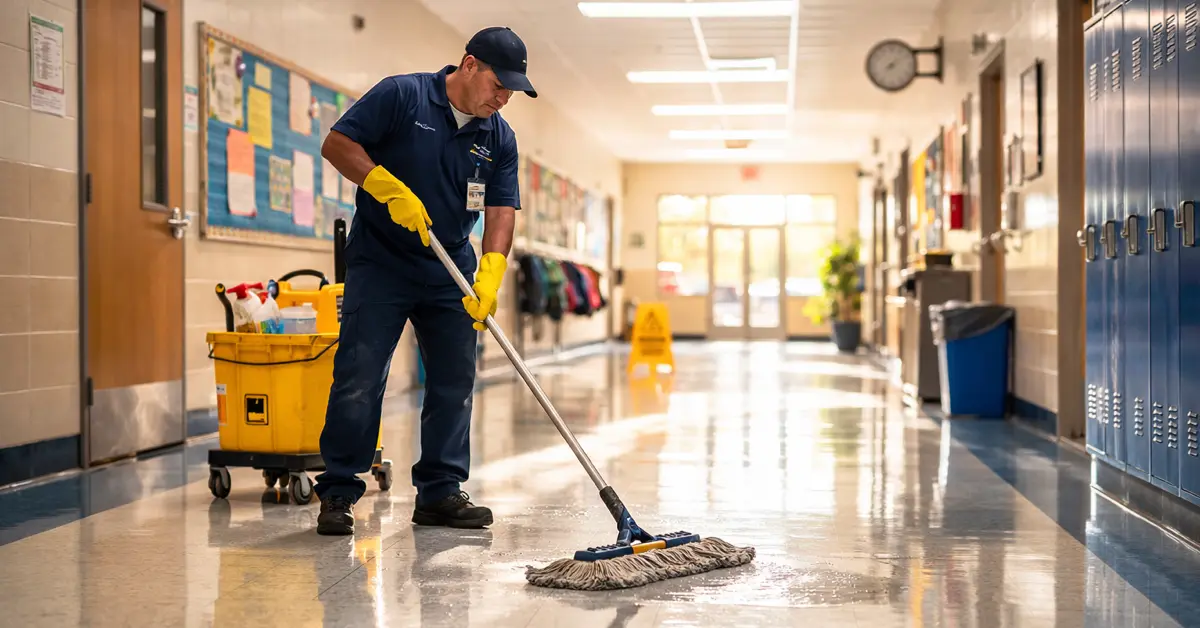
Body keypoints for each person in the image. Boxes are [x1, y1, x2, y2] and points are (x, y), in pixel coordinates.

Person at [313, 27, 536, 535]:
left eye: (512, 93)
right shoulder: (403, 94)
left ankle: (439, 492)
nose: (503, 99)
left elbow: (501, 208)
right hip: (380, 261)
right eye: (499, 85)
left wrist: (492, 270)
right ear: (470, 64)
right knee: (360, 375)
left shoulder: (498, 136)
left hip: (448, 266)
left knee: (455, 381)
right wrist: (383, 184)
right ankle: (340, 490)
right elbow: (337, 143)